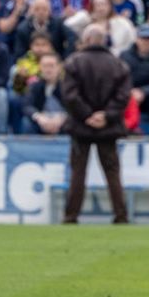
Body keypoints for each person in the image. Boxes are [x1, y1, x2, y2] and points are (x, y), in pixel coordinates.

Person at [60, 24, 132, 224]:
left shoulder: (74, 62)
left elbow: (70, 95)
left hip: (80, 126)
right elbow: (124, 96)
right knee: (112, 173)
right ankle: (120, 215)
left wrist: (87, 115)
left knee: (78, 173)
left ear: (86, 40)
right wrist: (106, 116)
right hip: (108, 127)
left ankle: (71, 215)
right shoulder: (118, 64)